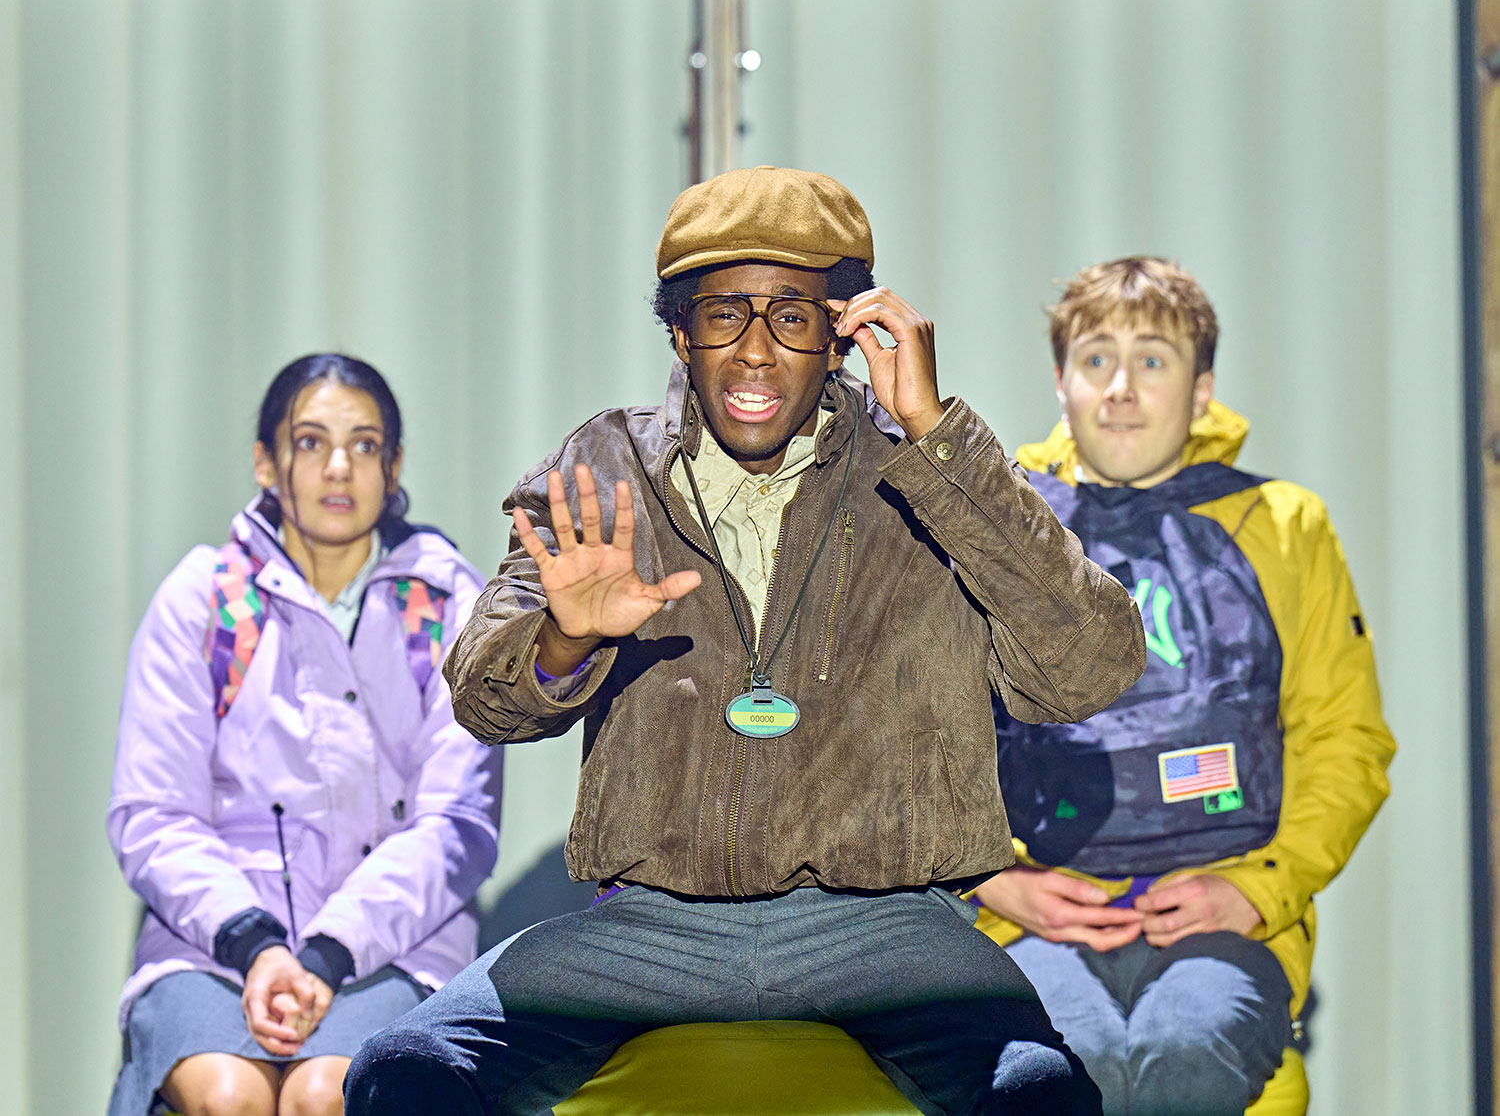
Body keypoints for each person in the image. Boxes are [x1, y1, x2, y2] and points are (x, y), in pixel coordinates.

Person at [343, 165, 1146, 1116]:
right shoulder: (609, 467)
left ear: (847, 333)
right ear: (681, 331)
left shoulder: (925, 469)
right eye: (725, 313)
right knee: (404, 1073)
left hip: (887, 927)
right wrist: (562, 637)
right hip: (654, 929)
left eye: (795, 316)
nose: (757, 351)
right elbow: (481, 695)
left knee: (1041, 1095)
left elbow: (1091, 667)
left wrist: (939, 433)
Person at [973, 256, 1397, 1114]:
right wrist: (992, 881)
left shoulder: (1284, 526)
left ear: (1203, 389)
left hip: (1225, 917)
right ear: (1061, 382)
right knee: (1065, 1066)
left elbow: (1344, 740)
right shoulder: (995, 524)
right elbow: (920, 736)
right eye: (1096, 359)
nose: (1121, 388)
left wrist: (1256, 889)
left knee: (1186, 1046)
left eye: (1154, 360)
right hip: (1041, 918)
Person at [107, 354, 503, 1116]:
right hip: (213, 942)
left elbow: (456, 826)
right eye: (311, 441)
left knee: (329, 1092)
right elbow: (152, 813)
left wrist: (328, 950)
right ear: (266, 461)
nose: (338, 468)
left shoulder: (452, 603)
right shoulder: (203, 598)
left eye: (363, 445)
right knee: (227, 1093)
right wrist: (257, 944)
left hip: (395, 945)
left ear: (393, 467)